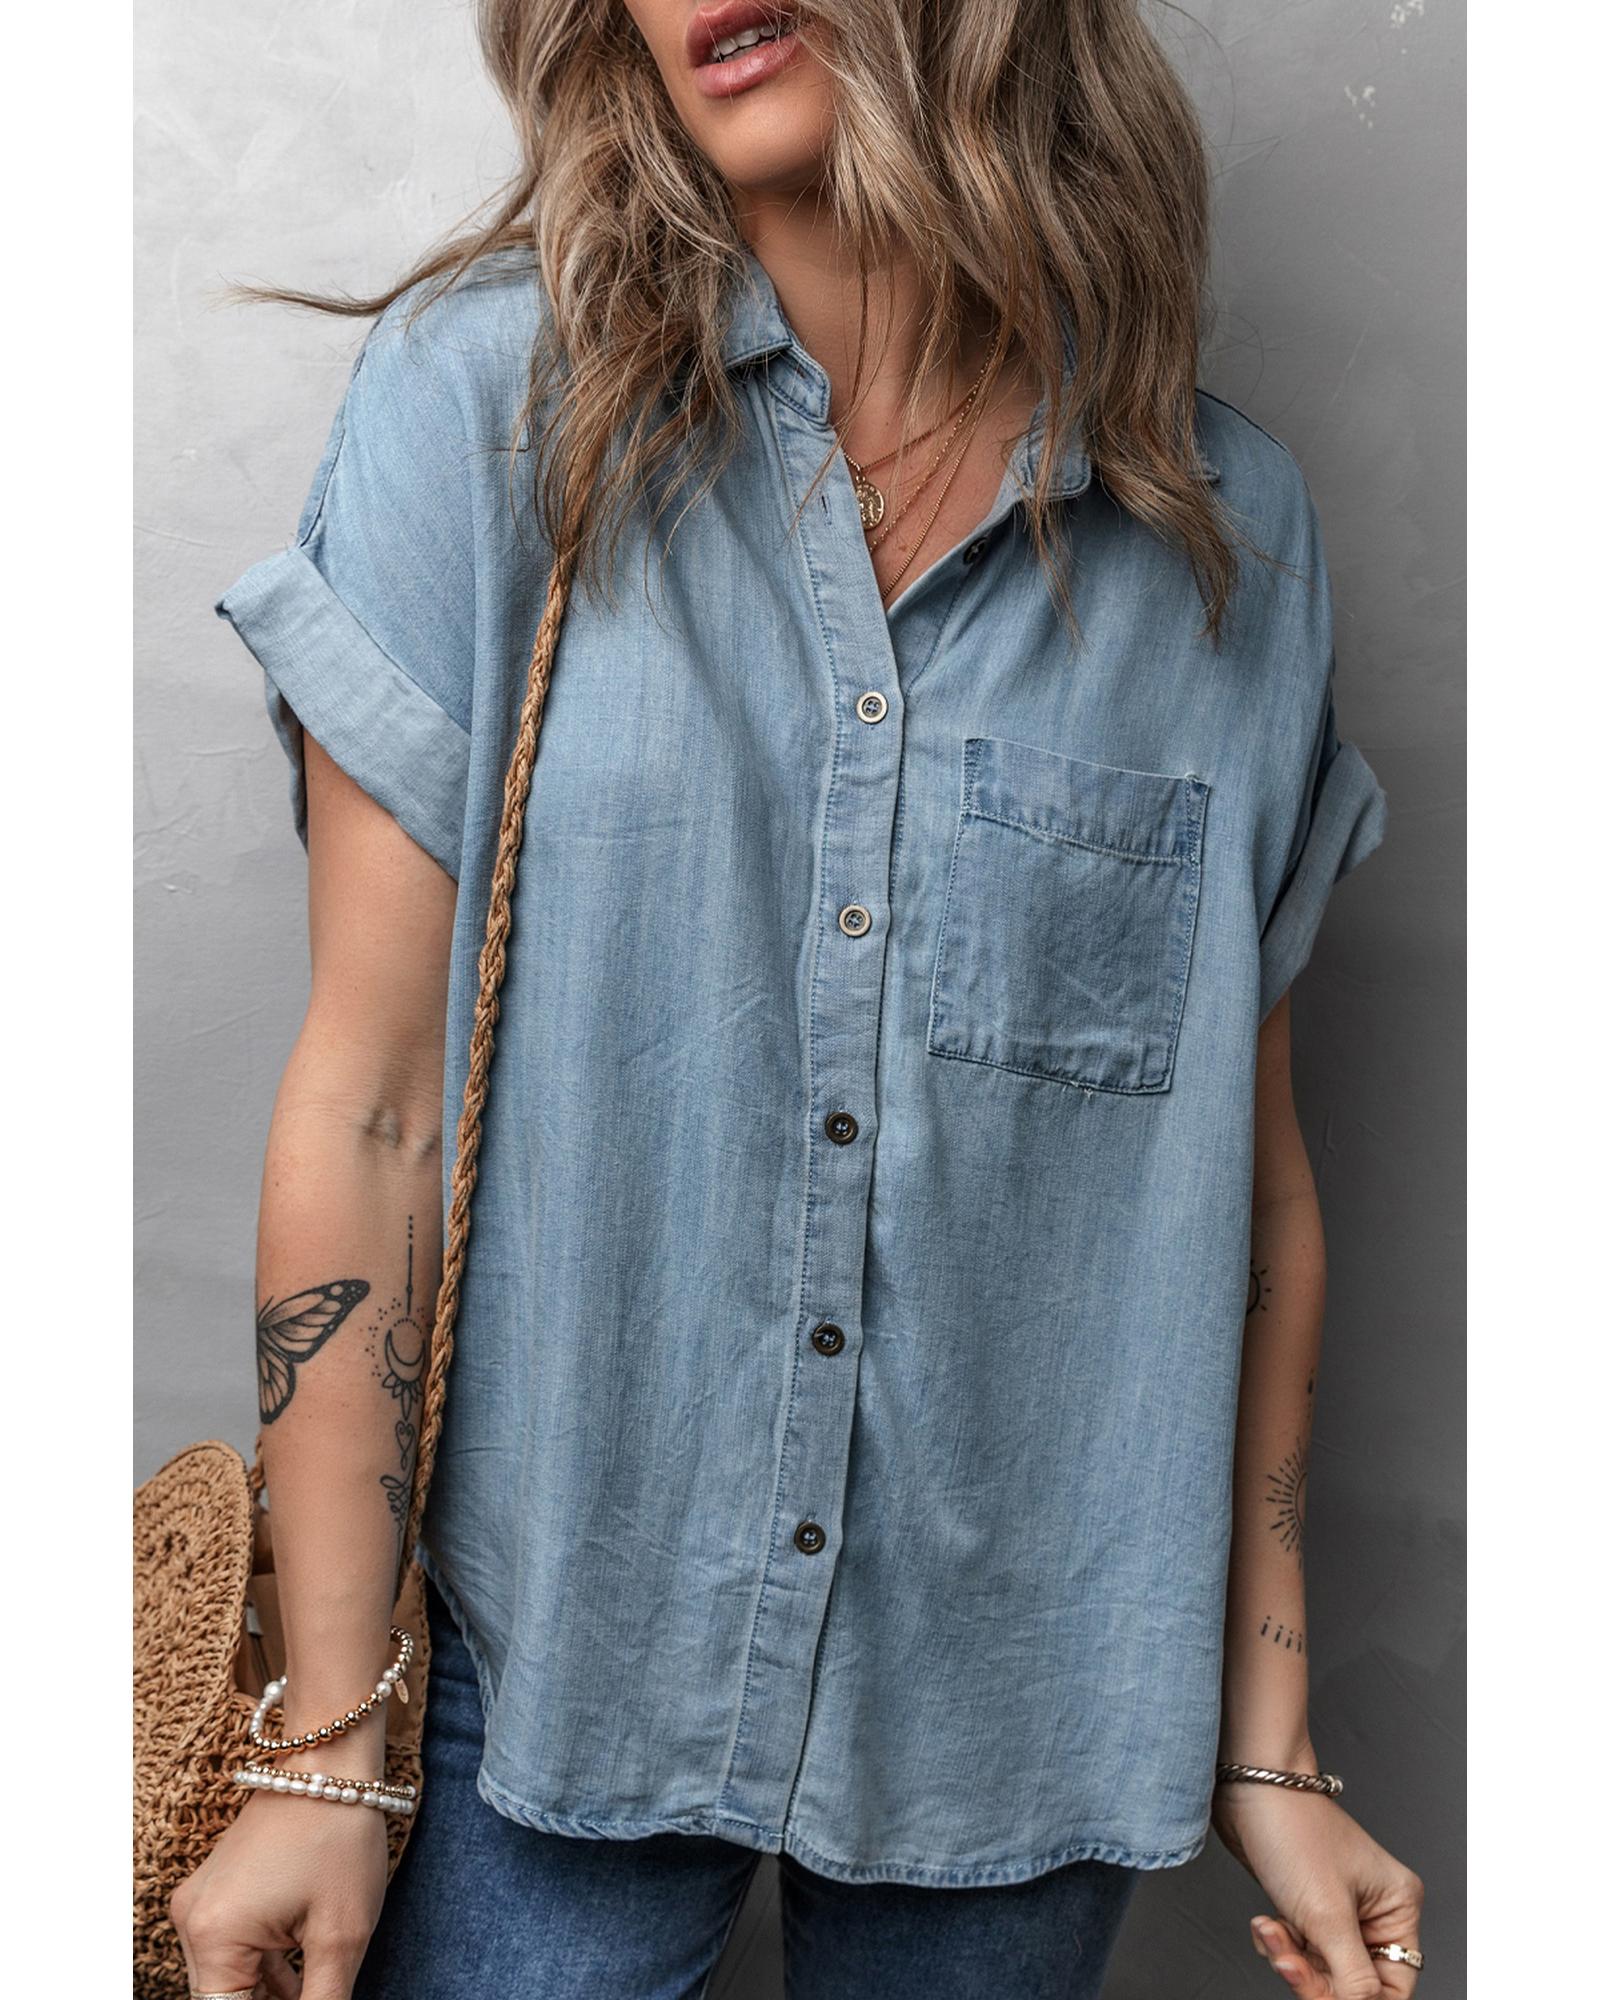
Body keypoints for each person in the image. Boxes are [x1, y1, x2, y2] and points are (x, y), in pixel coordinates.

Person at [169, 3, 1427, 1996]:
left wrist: (1266, 1741)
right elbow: (375, 1098)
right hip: (546, 1653)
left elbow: (1245, 1199)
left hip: (1020, 1687)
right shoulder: (490, 408)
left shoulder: (1230, 537)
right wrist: (321, 1747)